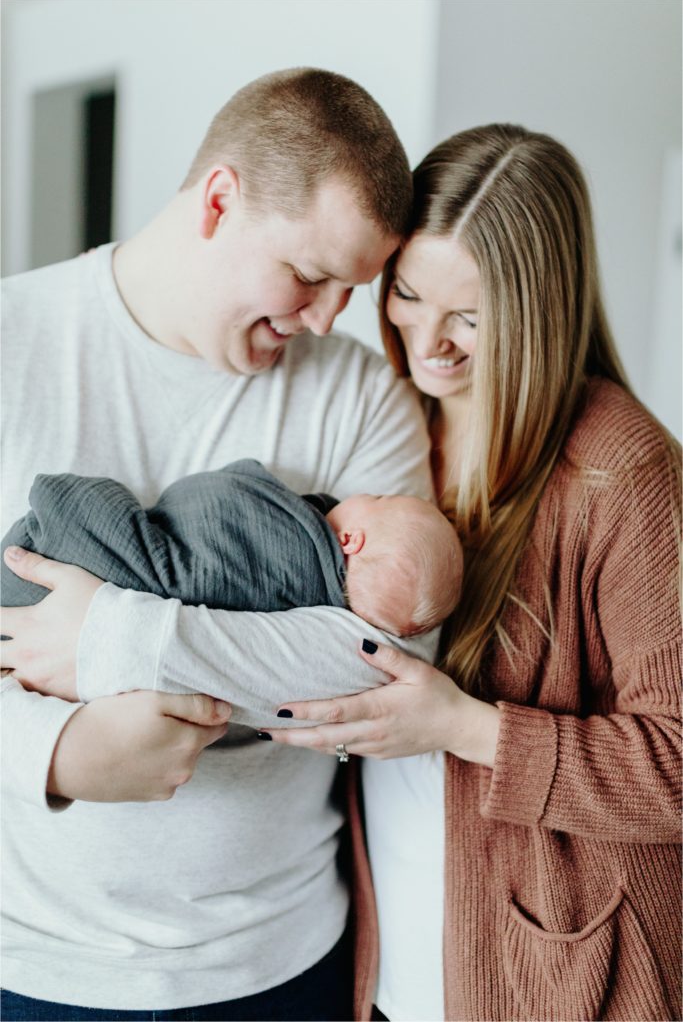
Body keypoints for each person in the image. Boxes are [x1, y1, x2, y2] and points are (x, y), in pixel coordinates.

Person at [0, 68, 440, 1021]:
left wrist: (111, 639)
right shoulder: (12, 341)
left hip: (279, 962)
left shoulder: (358, 396)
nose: (327, 319)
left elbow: (384, 663)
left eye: (349, 291)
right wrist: (52, 750)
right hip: (38, 965)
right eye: (312, 275)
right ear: (218, 200)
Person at [255, 125, 682, 1021]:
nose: (428, 343)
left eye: (472, 317)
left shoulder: (624, 473)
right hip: (393, 961)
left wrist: (463, 725)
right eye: (408, 294)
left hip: (556, 977)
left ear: (541, 310)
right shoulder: (388, 430)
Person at [2, 460, 462, 655]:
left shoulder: (293, 556)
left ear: (351, 542)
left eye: (378, 498)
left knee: (88, 509)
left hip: (85, 570)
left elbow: (216, 541)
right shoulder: (313, 610)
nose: (364, 492)